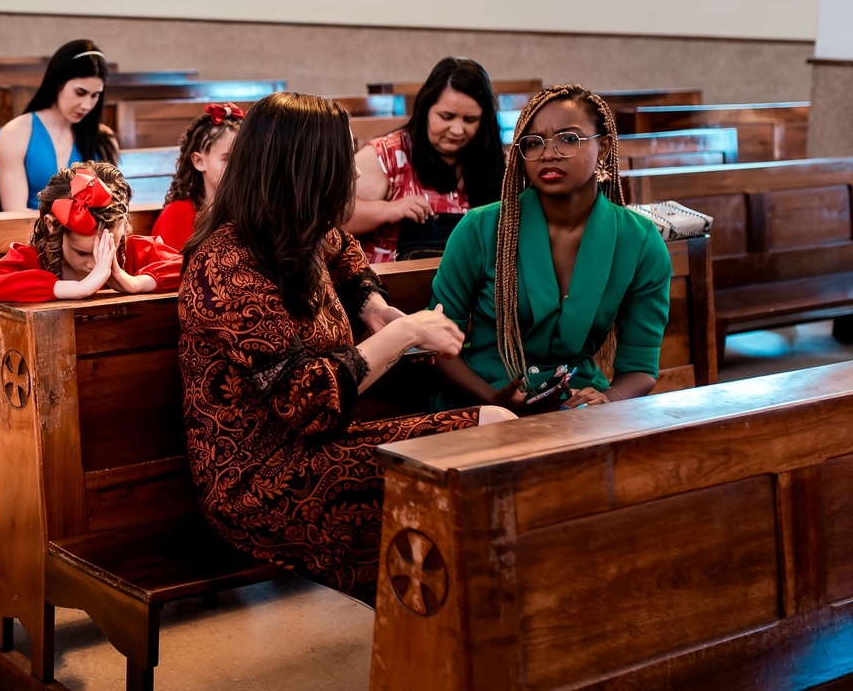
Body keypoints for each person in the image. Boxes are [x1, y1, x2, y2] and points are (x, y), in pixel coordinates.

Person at [178, 92, 514, 606]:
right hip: (259, 481)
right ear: (303, 170)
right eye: (342, 163)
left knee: (494, 436)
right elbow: (307, 405)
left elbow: (347, 254)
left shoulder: (301, 230)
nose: (354, 178)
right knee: (485, 445)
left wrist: (372, 305)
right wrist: (402, 334)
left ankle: (477, 624)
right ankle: (456, 628)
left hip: (319, 449)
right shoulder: (225, 265)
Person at [0, 160, 182, 581]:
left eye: (107, 249)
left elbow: (193, 268)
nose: (93, 263)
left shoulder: (131, 255)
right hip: (49, 400)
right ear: (51, 230)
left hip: (121, 398)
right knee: (51, 489)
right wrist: (73, 289)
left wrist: (136, 284)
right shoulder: (35, 260)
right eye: (82, 253)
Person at [429, 84, 673, 414]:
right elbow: (437, 344)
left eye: (568, 138)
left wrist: (607, 399)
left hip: (578, 404)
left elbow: (641, 366)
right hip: (480, 402)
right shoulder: (481, 228)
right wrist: (490, 399)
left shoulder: (639, 241)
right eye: (534, 142)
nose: (548, 152)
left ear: (603, 147)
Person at [347, 57, 504, 263]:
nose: (457, 130)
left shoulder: (492, 159)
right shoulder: (387, 154)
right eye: (446, 117)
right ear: (425, 110)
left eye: (470, 120)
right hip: (392, 285)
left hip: (470, 286)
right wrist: (389, 209)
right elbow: (334, 219)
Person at [0, 39, 119, 211]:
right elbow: (14, 212)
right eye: (80, 92)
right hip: (33, 233)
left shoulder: (104, 138)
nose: (86, 105)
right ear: (57, 84)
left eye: (95, 95)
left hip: (91, 235)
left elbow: (114, 205)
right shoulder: (16, 133)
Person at [150, 102, 243, 250]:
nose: (237, 167)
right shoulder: (177, 215)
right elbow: (162, 270)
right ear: (199, 161)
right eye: (227, 159)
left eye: (243, 158)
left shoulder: (250, 210)